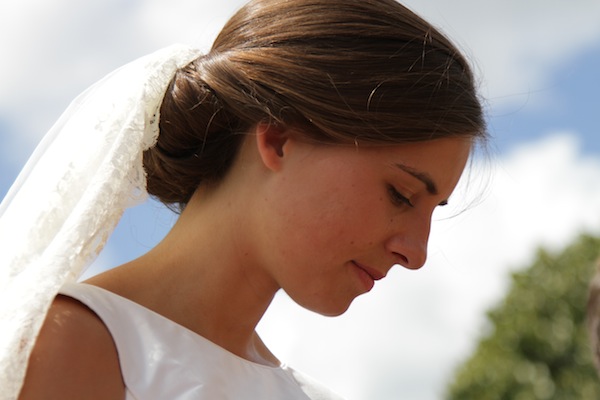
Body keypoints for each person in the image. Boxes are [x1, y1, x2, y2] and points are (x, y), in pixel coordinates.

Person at [1, 0, 487, 398]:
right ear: (278, 140)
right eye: (401, 194)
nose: (417, 253)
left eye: (433, 210)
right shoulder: (67, 343)